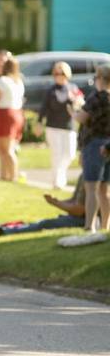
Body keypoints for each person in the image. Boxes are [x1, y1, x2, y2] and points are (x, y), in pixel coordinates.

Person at [0, 175, 86, 236]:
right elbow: (74, 201)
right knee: (36, 223)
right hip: (75, 217)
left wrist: (56, 203)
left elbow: (79, 210)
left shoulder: (89, 177)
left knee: (44, 224)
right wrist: (57, 201)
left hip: (81, 220)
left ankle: (1, 231)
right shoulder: (84, 175)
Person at [72, 63, 110, 232]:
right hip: (108, 145)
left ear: (101, 79)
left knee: (91, 187)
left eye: (96, 77)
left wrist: (73, 112)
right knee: (104, 189)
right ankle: (105, 225)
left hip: (95, 144)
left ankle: (89, 226)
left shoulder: (97, 98)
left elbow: (82, 118)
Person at [35, 62, 83, 190]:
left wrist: (76, 101)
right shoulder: (51, 90)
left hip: (69, 127)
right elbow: (43, 108)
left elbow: (80, 104)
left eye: (61, 73)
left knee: (70, 154)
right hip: (53, 126)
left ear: (67, 74)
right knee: (56, 154)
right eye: (56, 73)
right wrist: (39, 122)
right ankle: (57, 181)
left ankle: (60, 175)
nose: (58, 76)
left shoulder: (73, 88)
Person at [0, 57, 25, 181]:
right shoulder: (19, 81)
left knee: (6, 149)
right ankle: (4, 175)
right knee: (6, 148)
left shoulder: (2, 80)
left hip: (5, 113)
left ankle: (12, 176)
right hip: (17, 113)